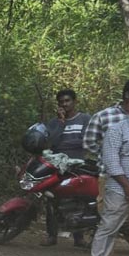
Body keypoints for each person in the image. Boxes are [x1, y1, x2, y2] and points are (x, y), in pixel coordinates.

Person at [83, 80, 129, 256]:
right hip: (119, 188)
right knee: (109, 226)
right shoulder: (117, 129)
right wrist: (128, 187)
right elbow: (111, 160)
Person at [43, 89, 91, 246]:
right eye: (61, 102)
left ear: (75, 101)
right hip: (56, 165)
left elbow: (85, 142)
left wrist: (65, 144)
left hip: (77, 165)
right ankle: (51, 236)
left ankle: (79, 238)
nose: (64, 104)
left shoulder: (85, 119)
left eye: (67, 101)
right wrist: (61, 124)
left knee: (78, 200)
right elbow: (51, 143)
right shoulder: (54, 122)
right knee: (51, 199)